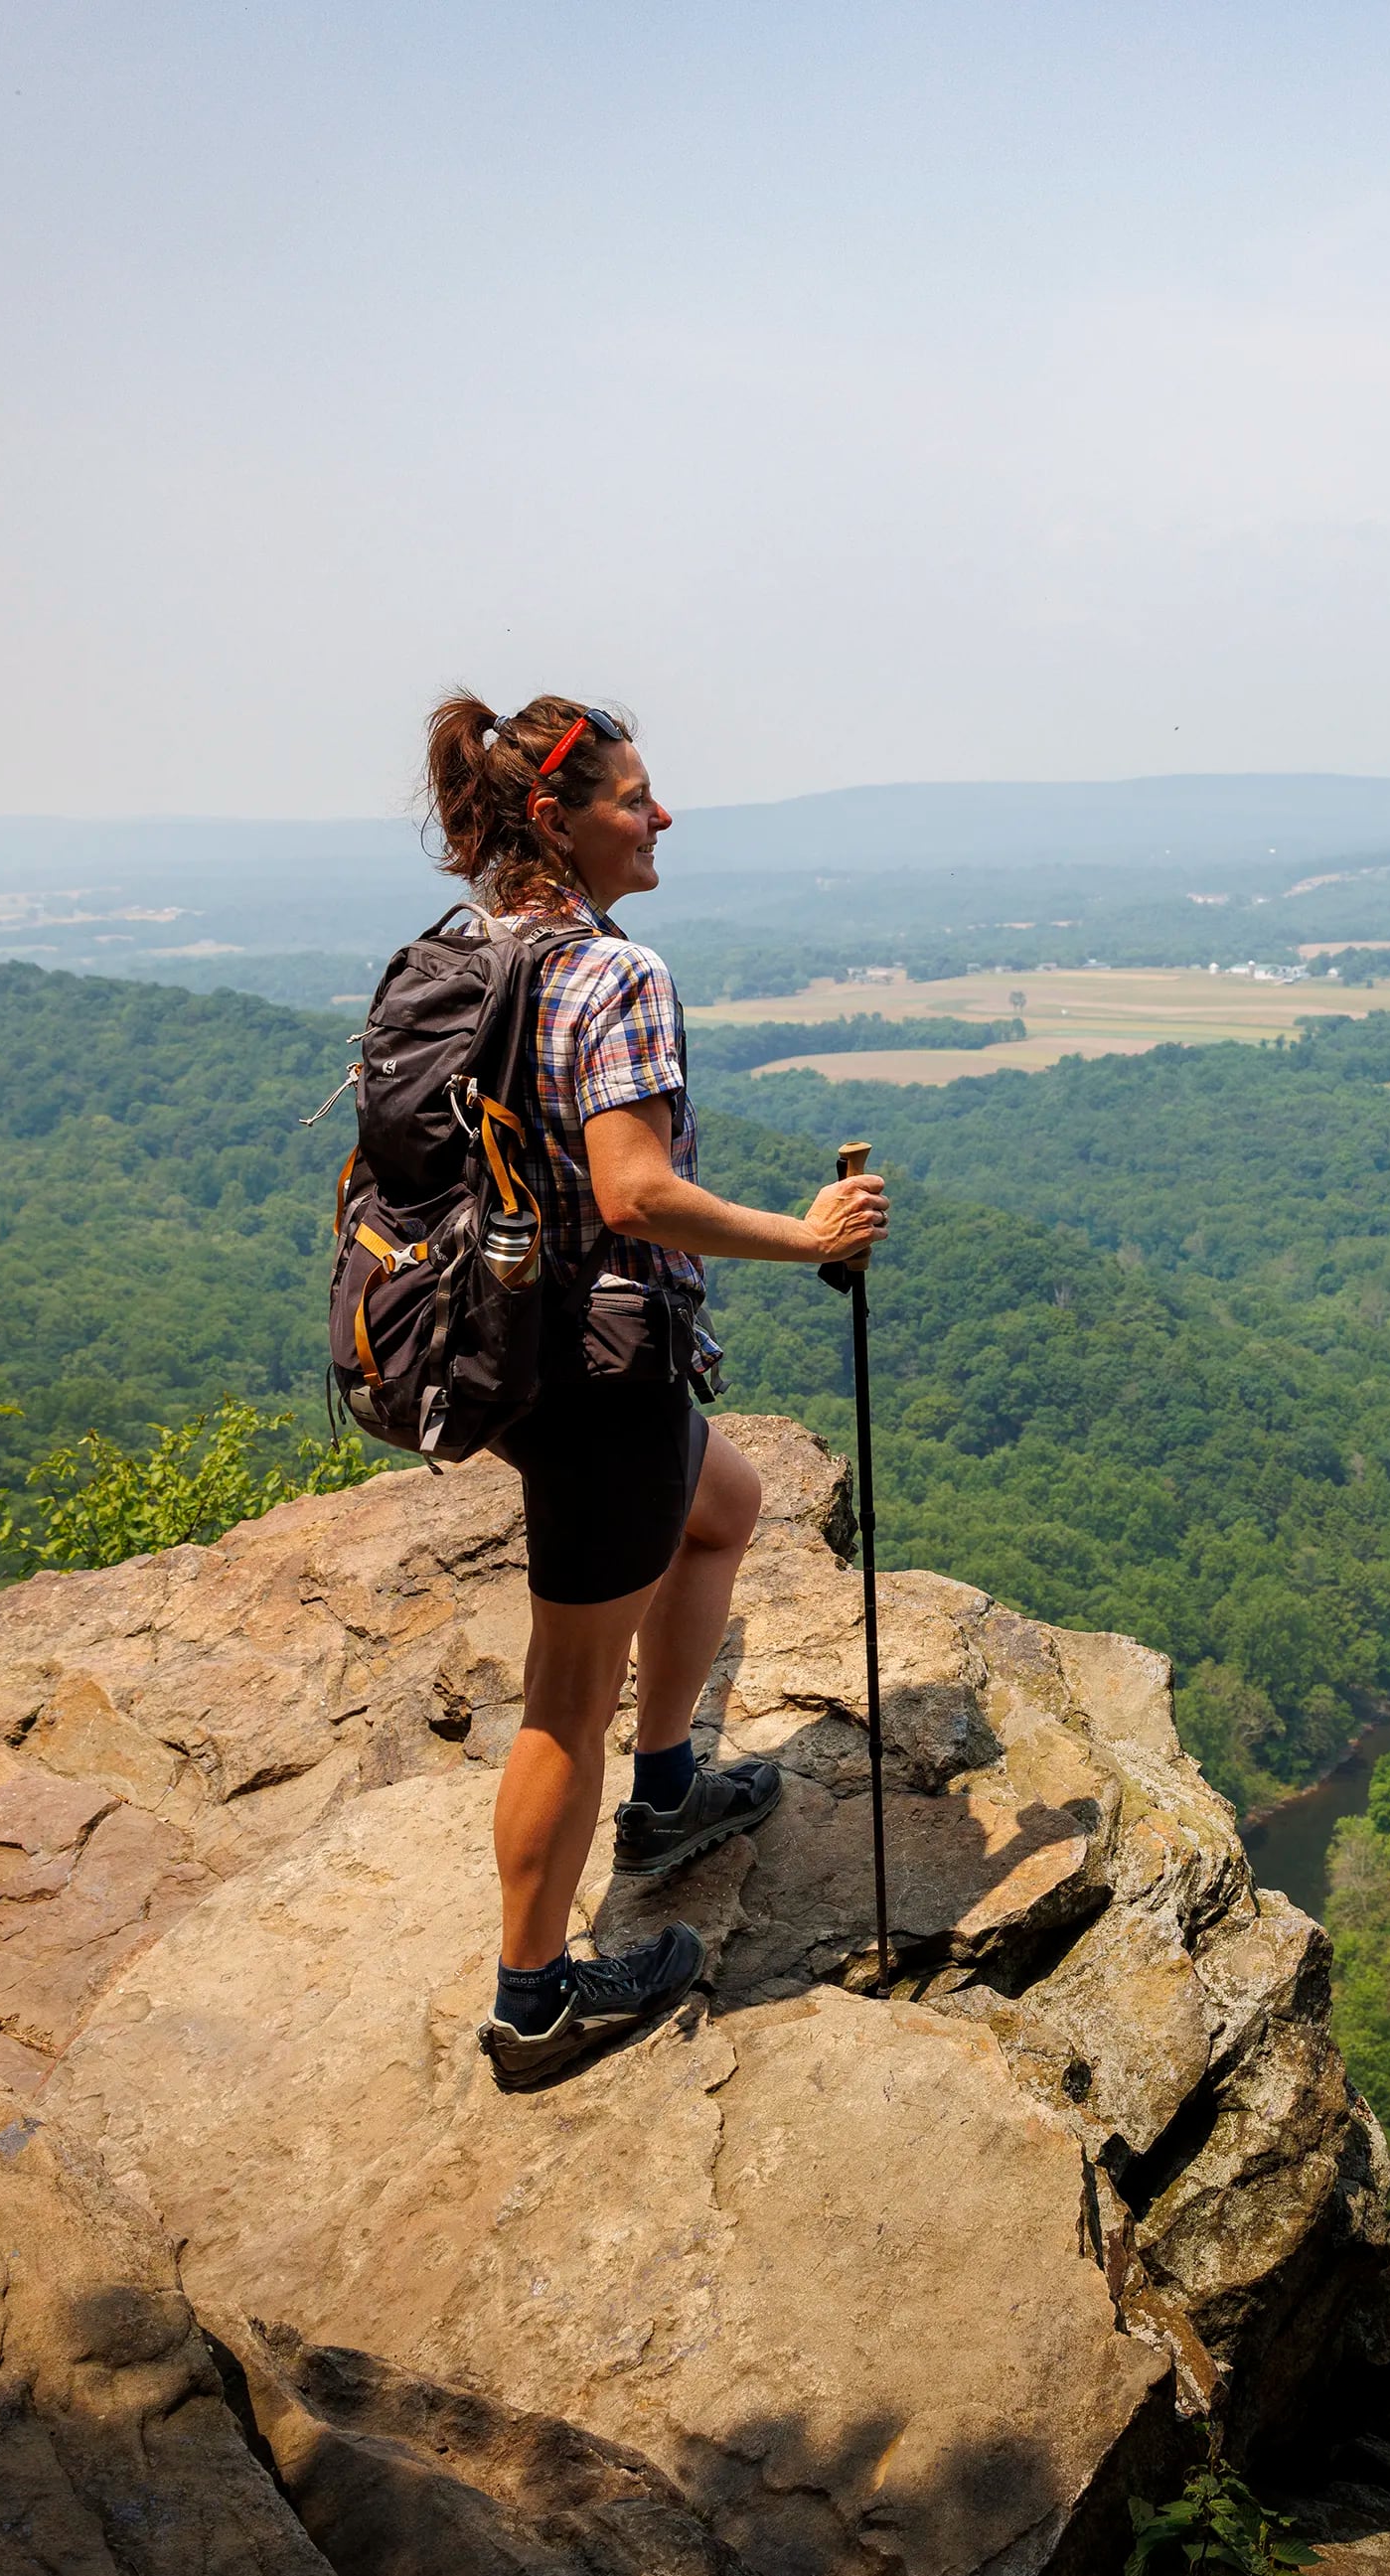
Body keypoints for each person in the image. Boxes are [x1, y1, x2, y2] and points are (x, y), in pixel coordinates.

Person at [422, 692, 887, 2086]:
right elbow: (633, 1191)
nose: (662, 814)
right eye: (633, 797)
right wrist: (808, 1234)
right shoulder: (613, 977)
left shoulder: (471, 951)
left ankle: (671, 1787)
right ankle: (535, 2000)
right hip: (599, 1373)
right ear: (557, 821)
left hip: (514, 1346)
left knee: (724, 1504)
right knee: (568, 1698)